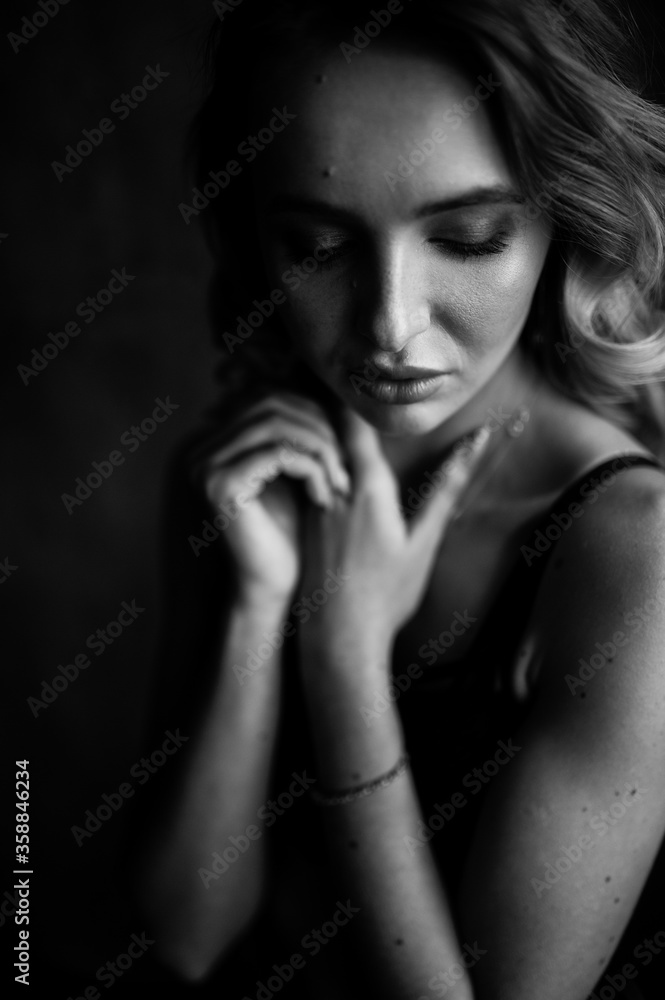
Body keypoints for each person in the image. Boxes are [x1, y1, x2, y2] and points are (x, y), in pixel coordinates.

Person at [132, 1, 665, 997]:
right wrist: (257, 610)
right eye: (318, 247)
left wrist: (342, 658)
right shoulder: (247, 474)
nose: (390, 325)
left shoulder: (634, 556)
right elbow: (185, 937)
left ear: (563, 217)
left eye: (466, 238)